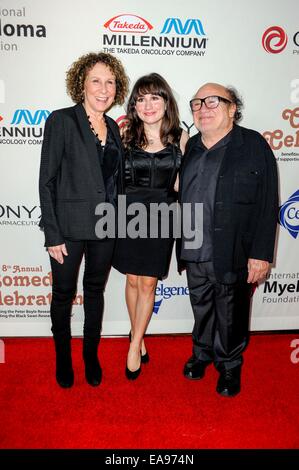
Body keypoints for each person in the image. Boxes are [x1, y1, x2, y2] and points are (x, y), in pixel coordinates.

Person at [179, 83, 278, 397]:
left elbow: (267, 203)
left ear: (233, 108)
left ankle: (230, 365)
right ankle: (202, 353)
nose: (202, 108)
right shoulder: (192, 145)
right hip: (193, 247)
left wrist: (261, 255)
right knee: (202, 306)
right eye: (197, 103)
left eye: (212, 101)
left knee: (231, 311)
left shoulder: (253, 145)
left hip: (233, 248)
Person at [39, 52, 129, 388]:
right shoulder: (61, 120)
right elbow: (46, 180)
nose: (104, 89)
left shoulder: (114, 129)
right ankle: (63, 358)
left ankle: (90, 355)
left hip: (106, 227)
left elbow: (115, 181)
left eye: (110, 82)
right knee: (63, 294)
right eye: (96, 80)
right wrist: (52, 234)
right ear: (81, 84)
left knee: (95, 291)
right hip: (68, 229)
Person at [113, 73, 189, 380]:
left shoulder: (181, 137)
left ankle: (133, 346)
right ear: (134, 105)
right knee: (132, 281)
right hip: (127, 215)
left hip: (162, 216)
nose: (148, 105)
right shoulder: (124, 134)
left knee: (148, 283)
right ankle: (139, 337)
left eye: (155, 97)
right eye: (141, 99)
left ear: (166, 102)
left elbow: (185, 184)